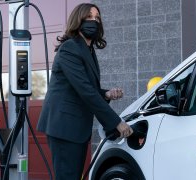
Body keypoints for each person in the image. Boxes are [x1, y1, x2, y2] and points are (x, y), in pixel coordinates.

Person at [36, 3, 133, 180]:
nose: (94, 21)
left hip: (75, 128)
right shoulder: (70, 48)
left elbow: (84, 88)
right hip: (64, 127)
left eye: (97, 18)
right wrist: (115, 122)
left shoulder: (87, 49)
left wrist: (106, 94)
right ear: (78, 20)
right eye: (89, 17)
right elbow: (85, 90)